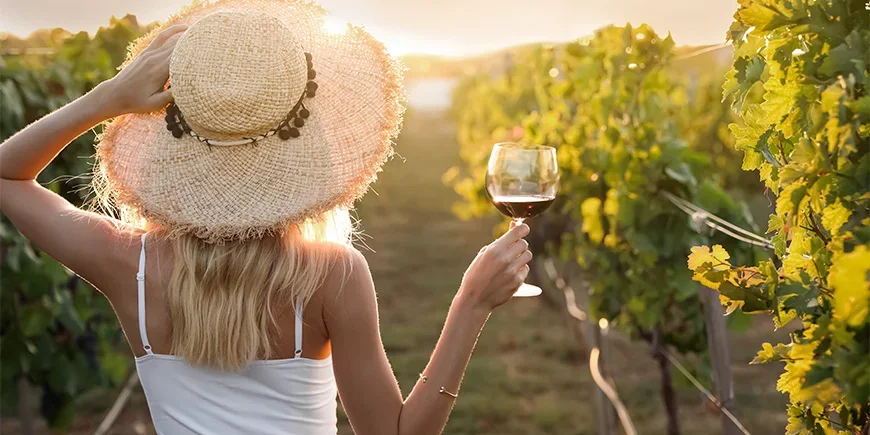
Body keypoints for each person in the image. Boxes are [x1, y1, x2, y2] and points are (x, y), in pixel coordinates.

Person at [0, 1, 533, 434]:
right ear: (308, 144)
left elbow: (7, 176)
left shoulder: (127, 264)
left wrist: (109, 99)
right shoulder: (330, 276)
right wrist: (471, 303)